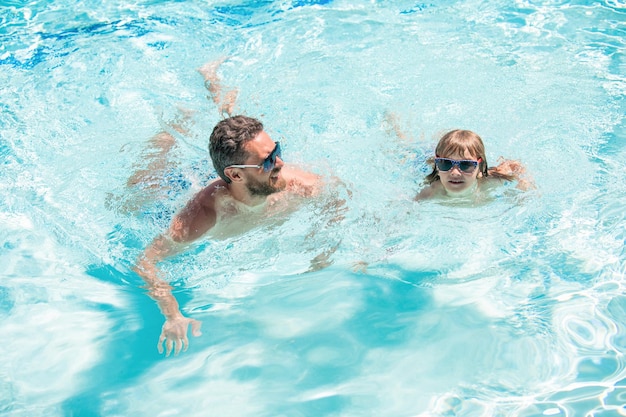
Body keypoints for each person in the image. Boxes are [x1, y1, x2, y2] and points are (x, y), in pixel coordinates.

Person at [131, 61, 325, 356]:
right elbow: (145, 263)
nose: (281, 163)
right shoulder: (203, 217)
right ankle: (177, 123)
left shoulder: (295, 183)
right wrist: (172, 314)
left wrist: (323, 249)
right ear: (235, 175)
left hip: (230, 167)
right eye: (269, 161)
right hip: (182, 185)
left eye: (278, 151)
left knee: (235, 137)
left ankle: (214, 85)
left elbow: (340, 196)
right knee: (137, 187)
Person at [414, 129, 534, 201]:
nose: (455, 172)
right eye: (445, 163)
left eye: (466, 165)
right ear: (437, 166)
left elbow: (514, 166)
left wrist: (525, 186)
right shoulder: (431, 191)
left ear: (480, 168)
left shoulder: (491, 182)